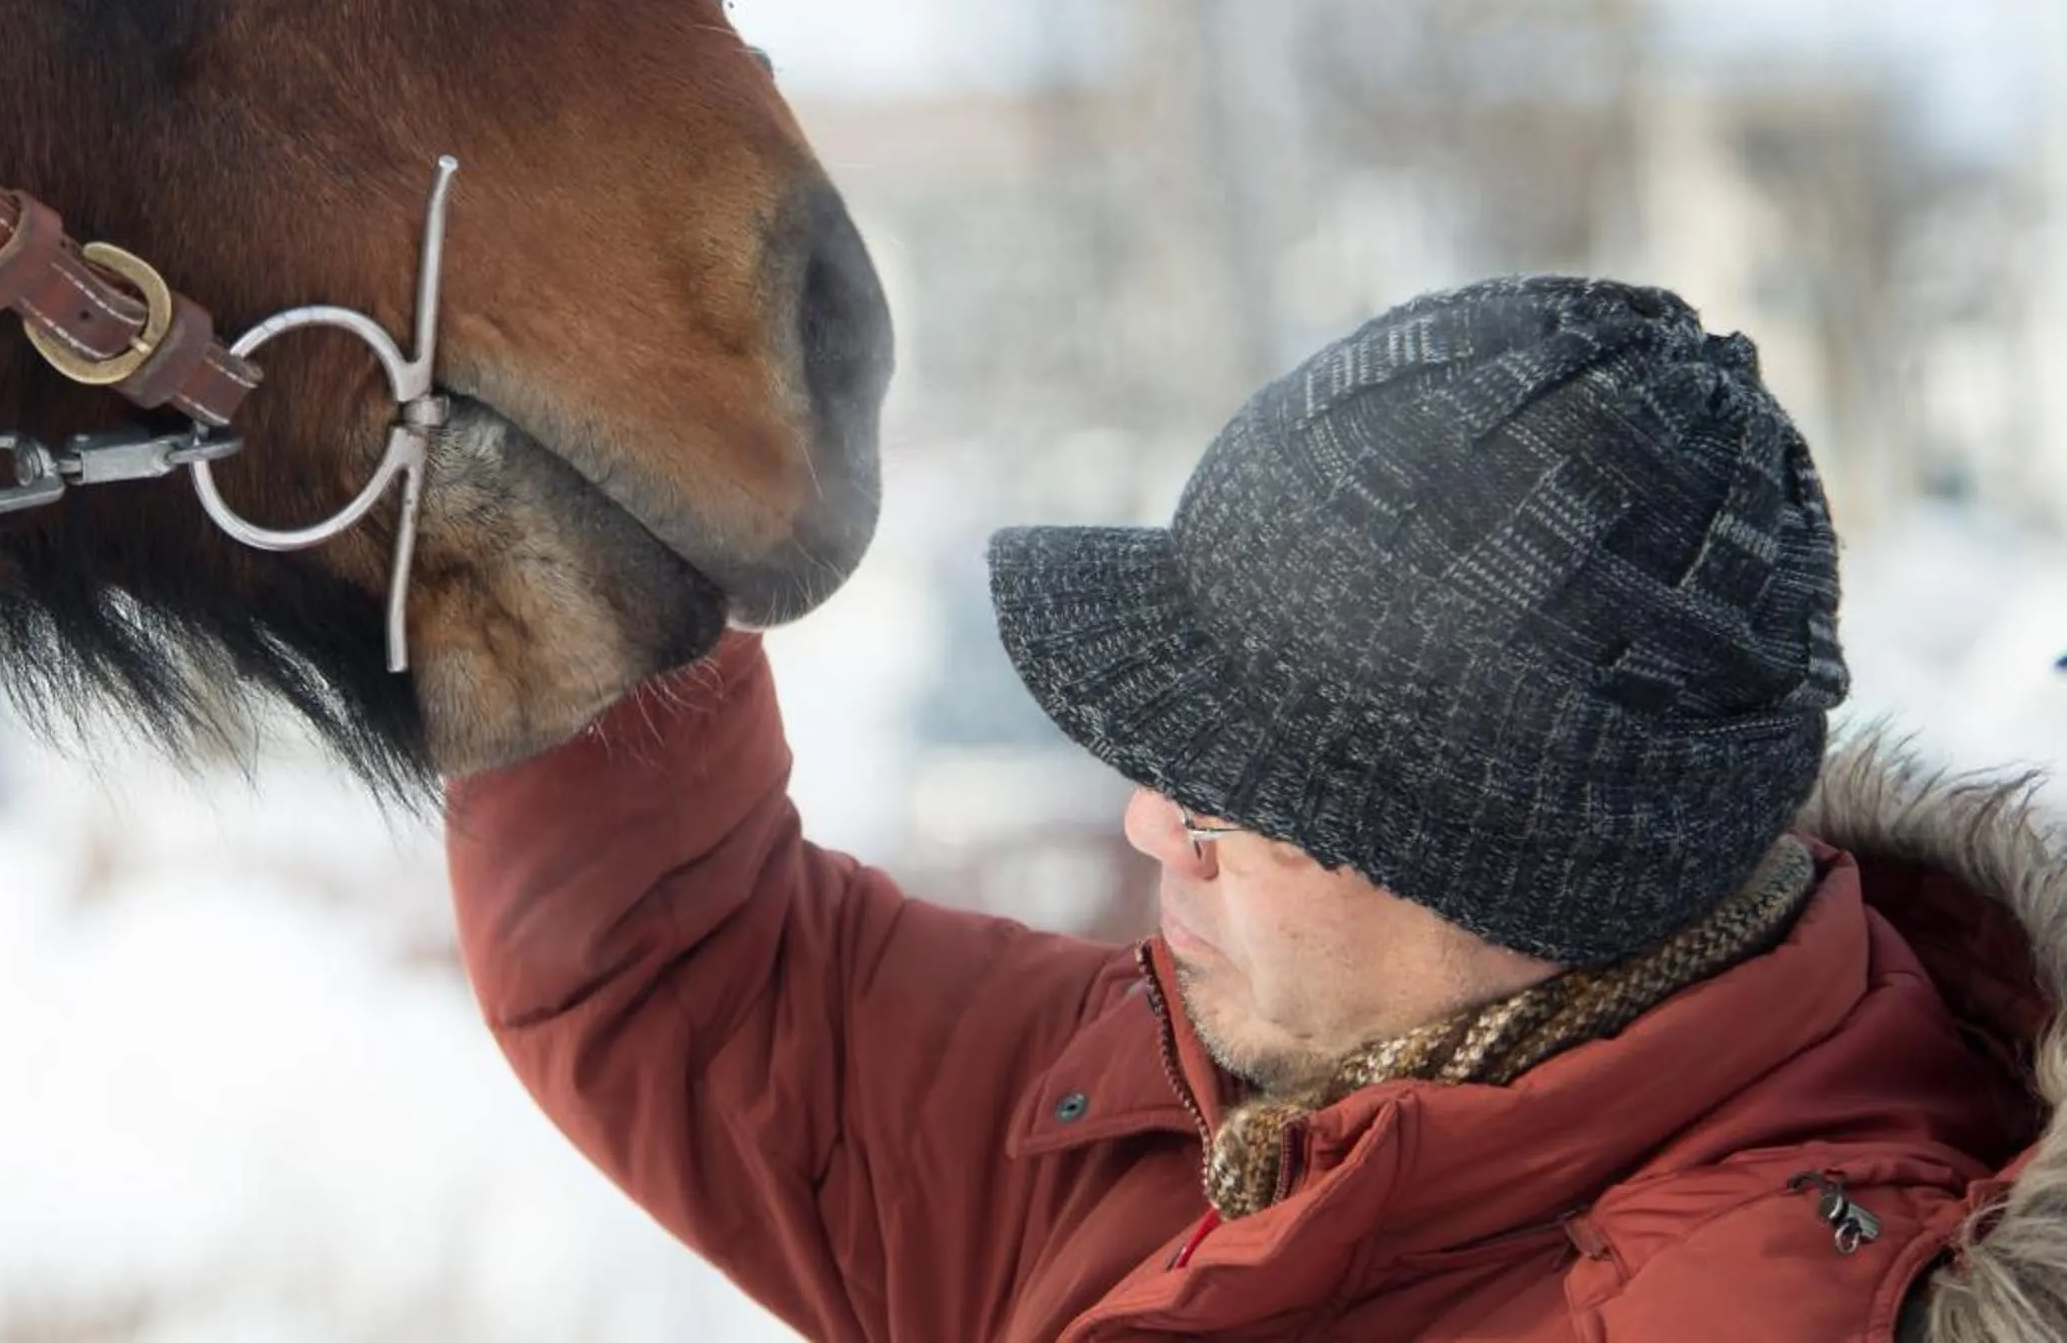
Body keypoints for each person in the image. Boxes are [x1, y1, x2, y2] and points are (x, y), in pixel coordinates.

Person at [448, 277, 2061, 1342]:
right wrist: (583, 449)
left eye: (1236, 796)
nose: (1152, 827)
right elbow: (686, 971)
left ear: (1507, 878)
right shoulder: (1214, 1094)